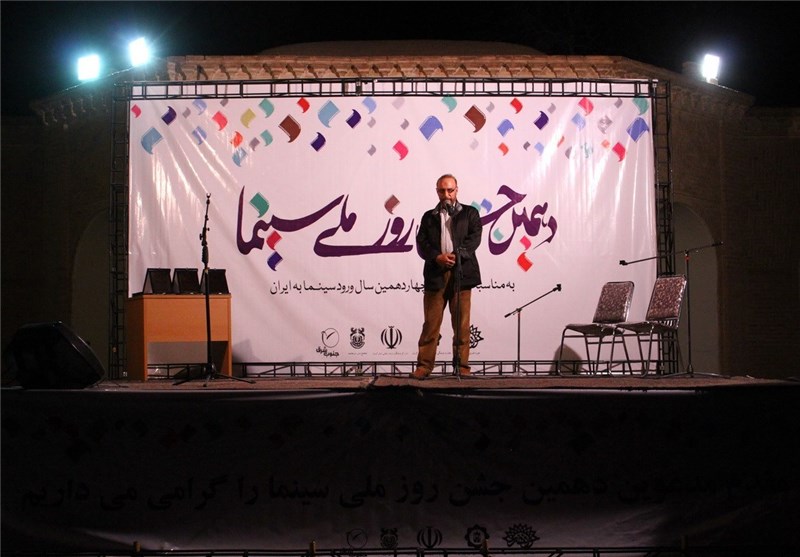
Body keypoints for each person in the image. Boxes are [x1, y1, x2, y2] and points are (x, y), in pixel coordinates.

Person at [412, 174, 483, 379]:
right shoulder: (429, 216)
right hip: (436, 275)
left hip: (462, 274)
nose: (446, 195)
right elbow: (422, 243)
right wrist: (437, 257)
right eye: (442, 191)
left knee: (461, 325)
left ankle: (462, 367)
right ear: (437, 192)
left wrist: (456, 256)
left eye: (450, 190)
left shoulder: (470, 213)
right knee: (431, 324)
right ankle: (424, 367)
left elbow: (474, 238)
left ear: (456, 190)